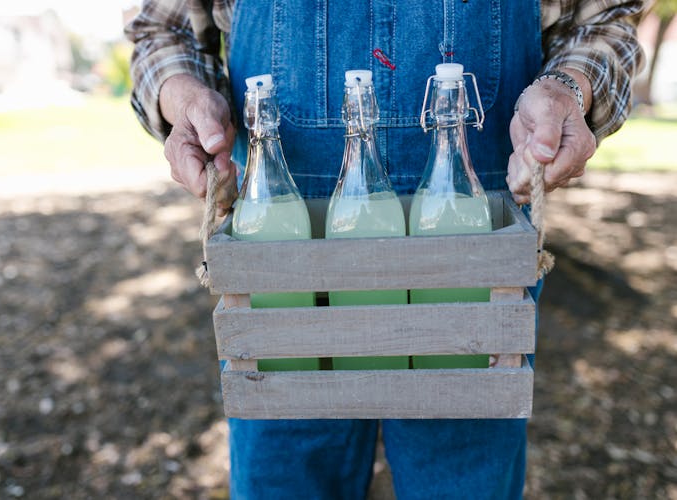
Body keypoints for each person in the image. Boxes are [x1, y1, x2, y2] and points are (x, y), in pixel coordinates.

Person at [126, 1, 644, 498]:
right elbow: (161, 30)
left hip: (472, 292)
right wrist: (183, 96)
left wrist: (567, 90)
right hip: (280, 301)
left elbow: (605, 19)